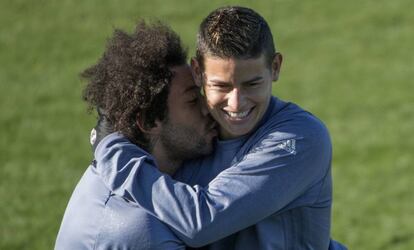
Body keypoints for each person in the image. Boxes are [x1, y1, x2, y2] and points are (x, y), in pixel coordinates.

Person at [92, 6, 347, 250]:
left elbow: (202, 222)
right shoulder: (193, 138)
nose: (236, 103)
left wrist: (112, 151)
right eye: (222, 86)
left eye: (252, 84)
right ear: (197, 72)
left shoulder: (299, 138)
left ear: (276, 67)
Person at [55, 21, 218, 249]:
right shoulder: (140, 231)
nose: (207, 107)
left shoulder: (114, 177)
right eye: (192, 100)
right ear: (149, 121)